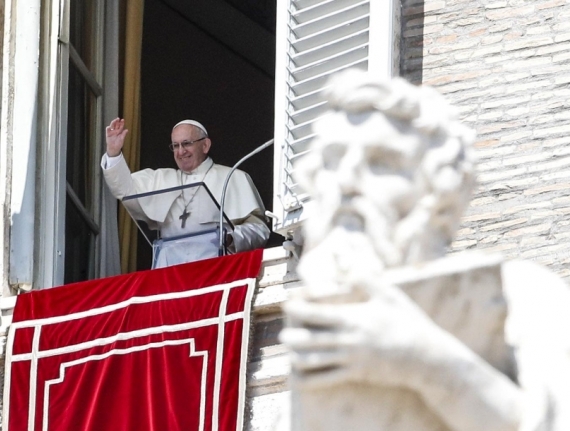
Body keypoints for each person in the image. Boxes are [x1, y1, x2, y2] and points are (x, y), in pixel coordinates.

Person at [279, 70, 570, 431]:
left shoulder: (524, 297)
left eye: (382, 163)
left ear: (440, 194)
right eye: (334, 161)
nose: (348, 180)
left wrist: (423, 361)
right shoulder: (317, 335)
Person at [101, 118, 269, 268]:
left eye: (187, 143)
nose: (181, 151)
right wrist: (114, 152)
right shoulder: (160, 178)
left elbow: (260, 230)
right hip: (169, 272)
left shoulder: (232, 177)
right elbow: (124, 189)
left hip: (214, 269)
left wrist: (233, 238)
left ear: (205, 145)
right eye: (175, 145)